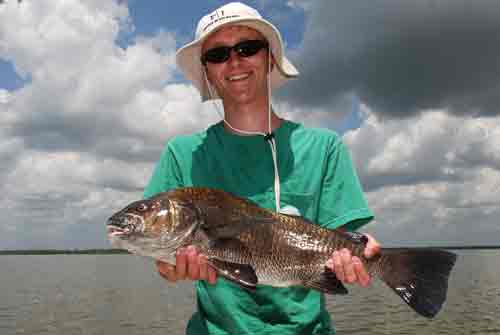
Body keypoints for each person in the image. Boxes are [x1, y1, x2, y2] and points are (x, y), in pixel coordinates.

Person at [144, 2, 380, 334]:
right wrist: (173, 269)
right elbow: (163, 263)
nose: (234, 61)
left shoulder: (325, 146)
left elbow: (343, 243)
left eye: (248, 48)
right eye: (218, 55)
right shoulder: (182, 154)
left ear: (269, 58)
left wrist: (359, 253)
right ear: (207, 71)